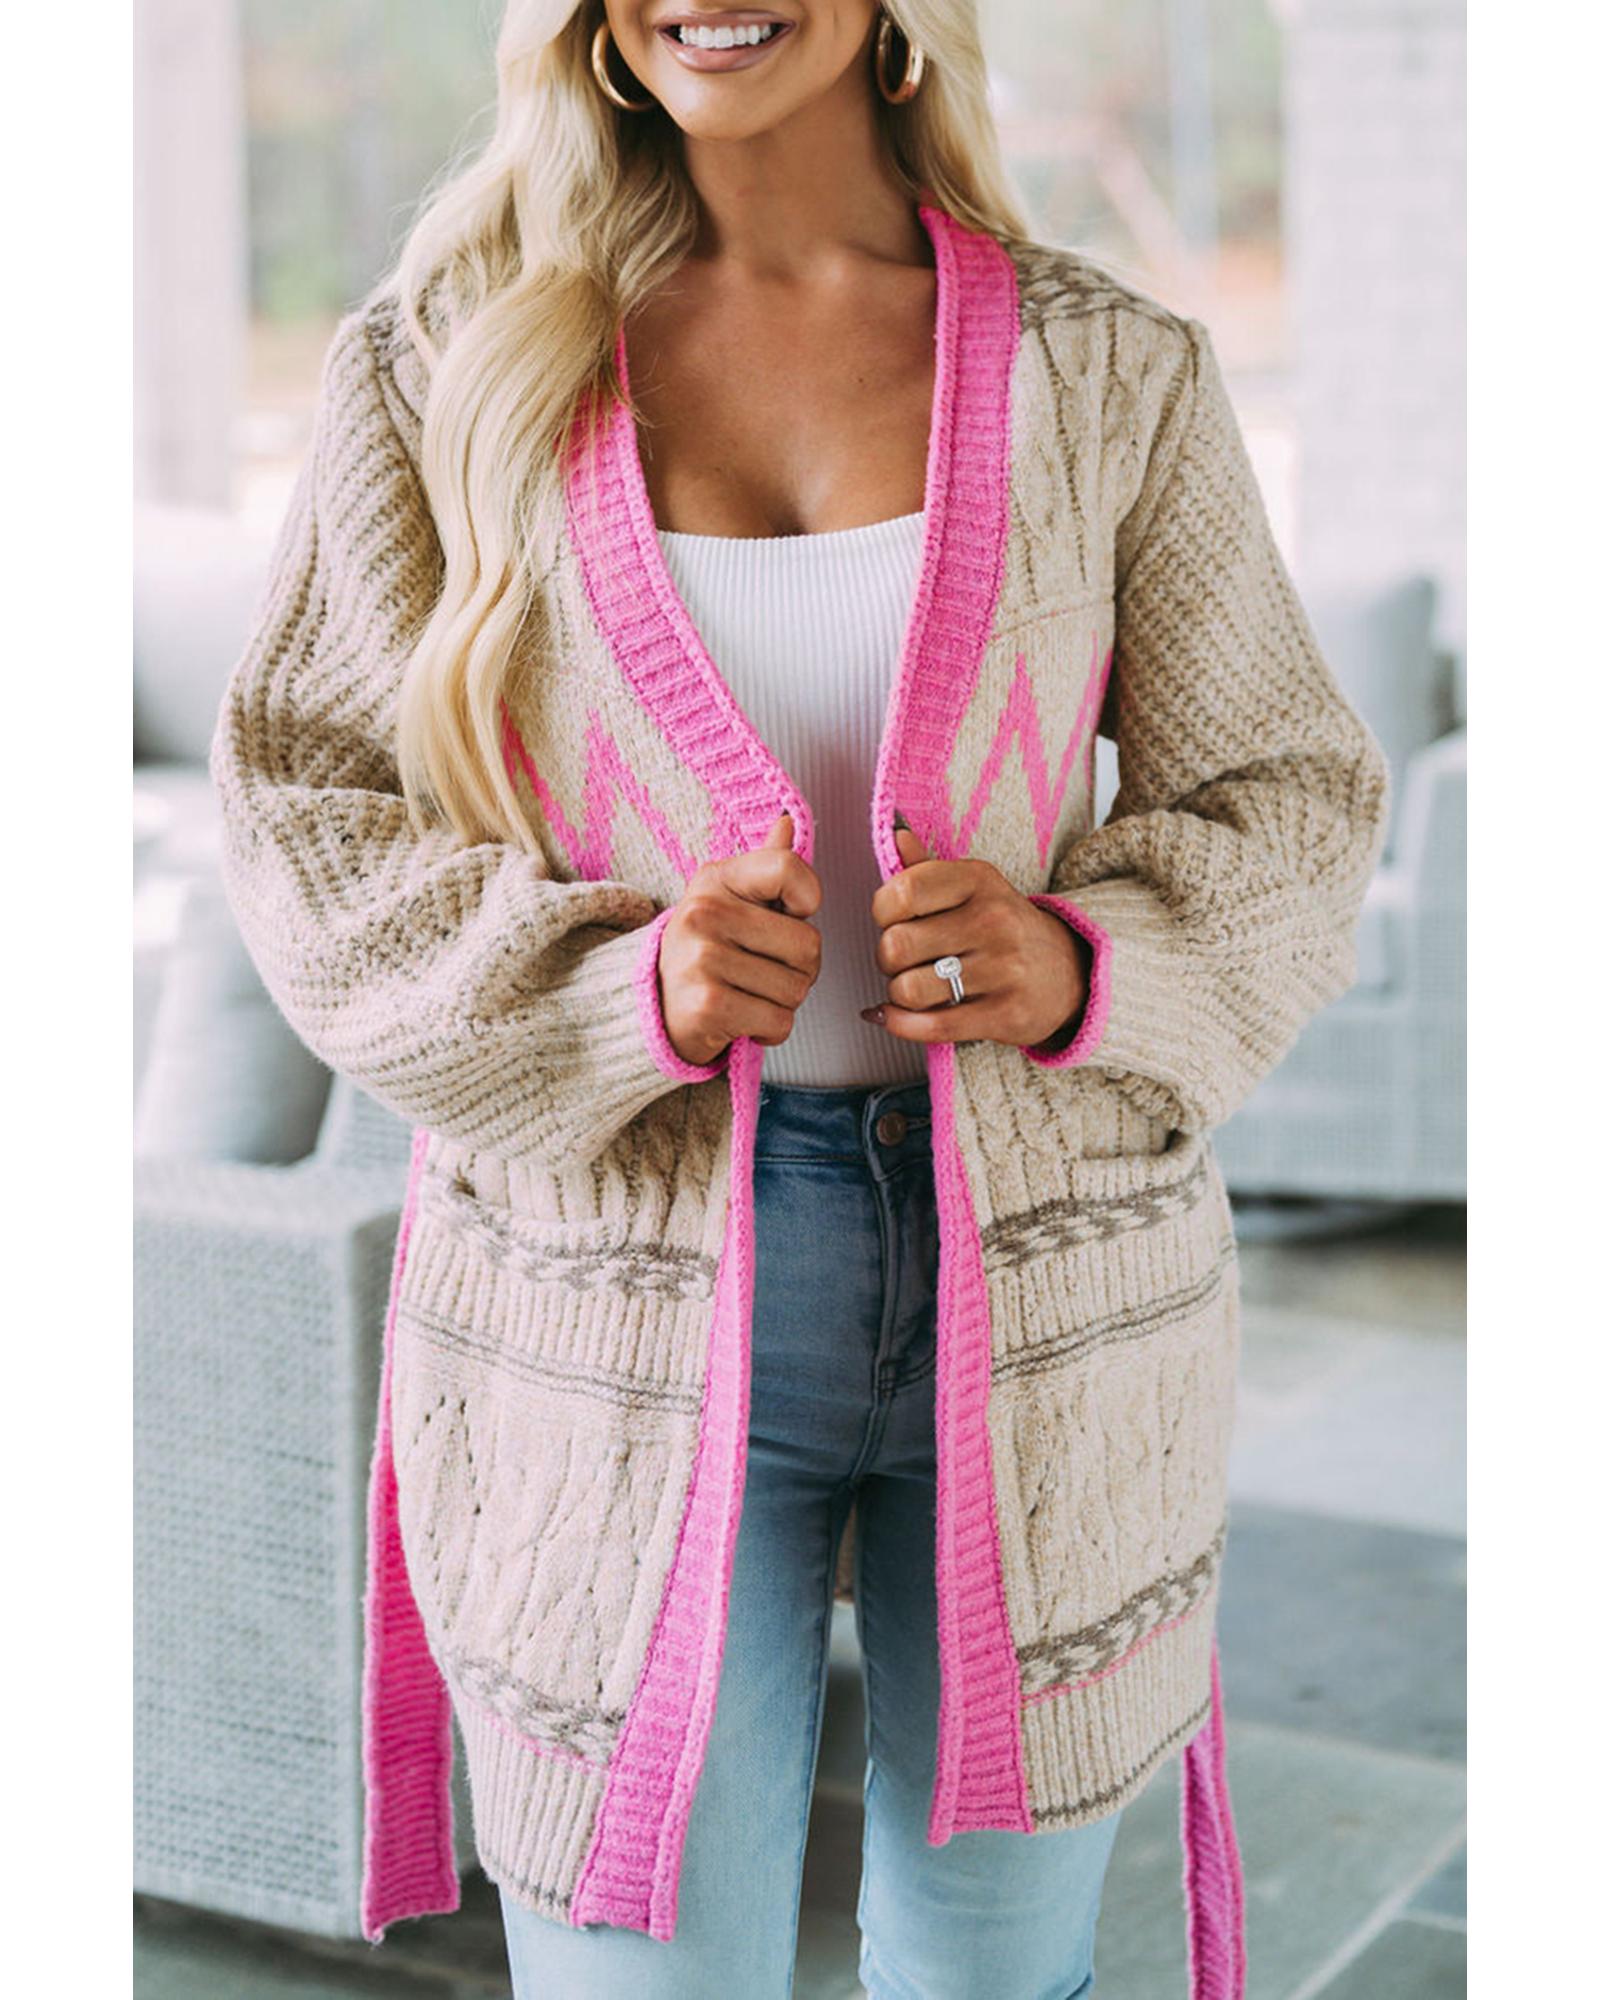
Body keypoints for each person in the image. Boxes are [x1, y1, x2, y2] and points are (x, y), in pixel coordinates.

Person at [211, 4, 1391, 1996]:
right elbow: (301, 809)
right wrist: (613, 986)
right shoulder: (439, 366)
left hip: (1050, 1282)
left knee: (999, 1973)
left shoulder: (1110, 370)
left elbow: (1287, 791)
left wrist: (1081, 956)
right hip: (606, 1298)